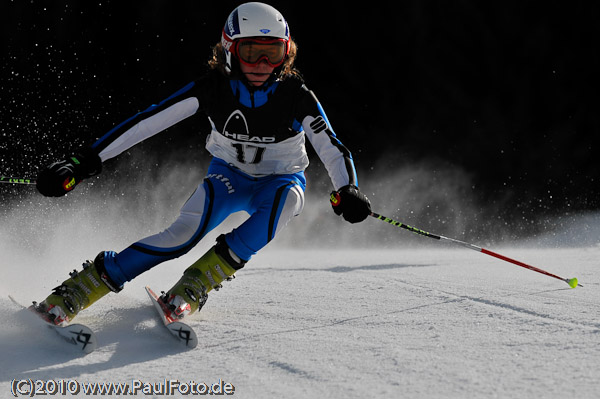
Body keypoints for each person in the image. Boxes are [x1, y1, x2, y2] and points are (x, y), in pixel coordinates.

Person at [34, 2, 371, 326]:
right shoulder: (212, 90)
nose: (262, 64)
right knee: (181, 236)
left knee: (288, 202)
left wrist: (347, 188)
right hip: (229, 178)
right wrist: (82, 163)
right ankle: (81, 288)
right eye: (251, 52)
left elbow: (331, 147)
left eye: (274, 53)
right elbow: (147, 123)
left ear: (287, 53)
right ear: (229, 50)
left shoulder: (296, 95)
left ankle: (197, 282)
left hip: (281, 180)